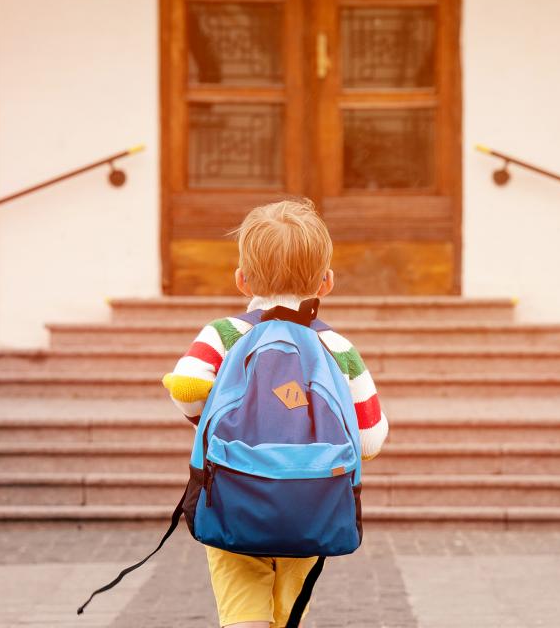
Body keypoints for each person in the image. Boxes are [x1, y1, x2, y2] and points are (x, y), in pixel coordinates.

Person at [161, 198, 389, 628]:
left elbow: (187, 388)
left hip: (231, 493)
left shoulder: (223, 333)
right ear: (326, 282)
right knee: (289, 615)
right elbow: (369, 439)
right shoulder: (337, 348)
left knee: (242, 609)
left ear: (242, 280)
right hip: (310, 502)